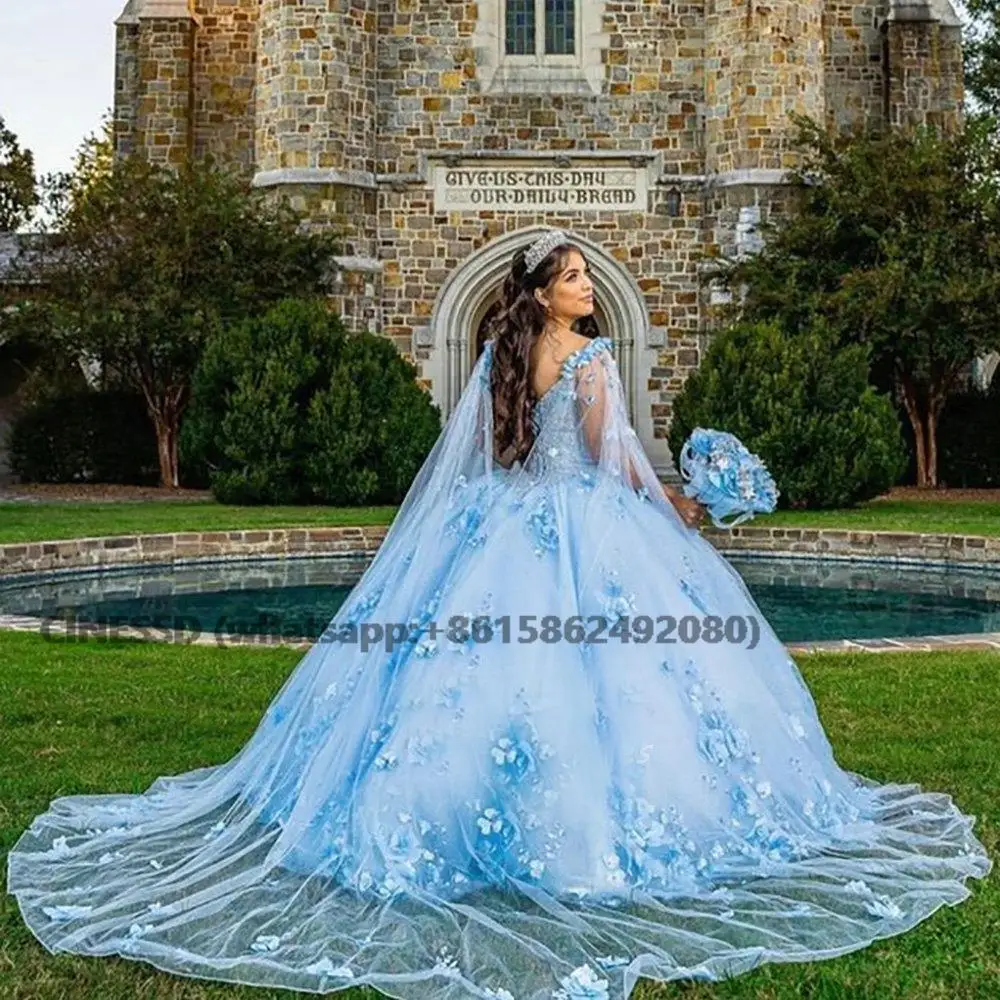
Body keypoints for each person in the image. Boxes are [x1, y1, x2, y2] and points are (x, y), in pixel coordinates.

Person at [7, 229, 991, 1000]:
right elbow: (617, 460)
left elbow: (484, 456)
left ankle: (432, 822)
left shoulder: (503, 360)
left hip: (502, 527)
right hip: (586, 528)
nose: (585, 287)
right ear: (544, 291)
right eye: (571, 277)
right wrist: (684, 507)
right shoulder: (594, 364)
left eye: (583, 276)